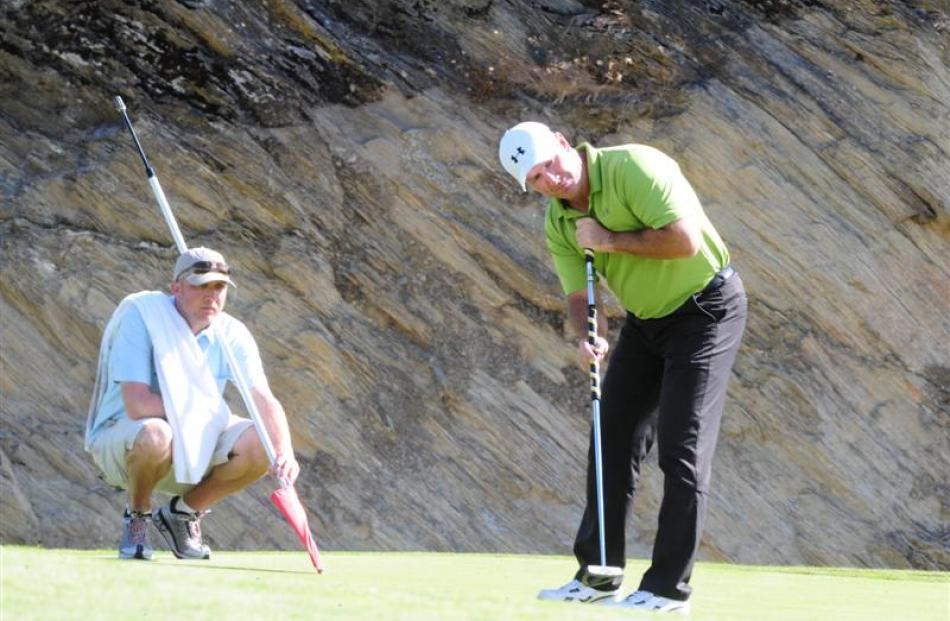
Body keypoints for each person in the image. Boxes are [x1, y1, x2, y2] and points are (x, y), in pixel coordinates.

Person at [498, 122, 747, 613]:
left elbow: (684, 241)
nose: (551, 179)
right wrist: (591, 334)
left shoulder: (635, 166)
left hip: (706, 310)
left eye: (551, 164)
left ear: (565, 144)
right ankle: (598, 574)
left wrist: (608, 239)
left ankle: (666, 588)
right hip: (646, 323)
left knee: (682, 447)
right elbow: (578, 296)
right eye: (537, 179)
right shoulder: (559, 222)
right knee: (610, 436)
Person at [85, 247, 300, 560]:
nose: (211, 296)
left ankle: (182, 513)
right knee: (158, 433)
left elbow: (263, 398)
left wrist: (284, 453)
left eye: (219, 287)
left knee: (262, 443)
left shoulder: (231, 333)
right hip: (126, 442)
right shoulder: (142, 316)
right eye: (201, 285)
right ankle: (138, 517)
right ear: (177, 287)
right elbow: (138, 404)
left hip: (196, 441)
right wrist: (204, 410)